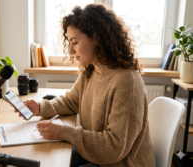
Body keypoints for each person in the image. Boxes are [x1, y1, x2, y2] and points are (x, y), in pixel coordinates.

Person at [14, 4, 155, 167]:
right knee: (46, 159)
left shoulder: (127, 82)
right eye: (69, 43)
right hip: (99, 157)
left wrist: (63, 132)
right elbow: (70, 102)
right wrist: (40, 107)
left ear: (97, 38)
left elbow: (115, 147)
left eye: (74, 42)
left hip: (122, 163)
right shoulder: (91, 71)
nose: (71, 51)